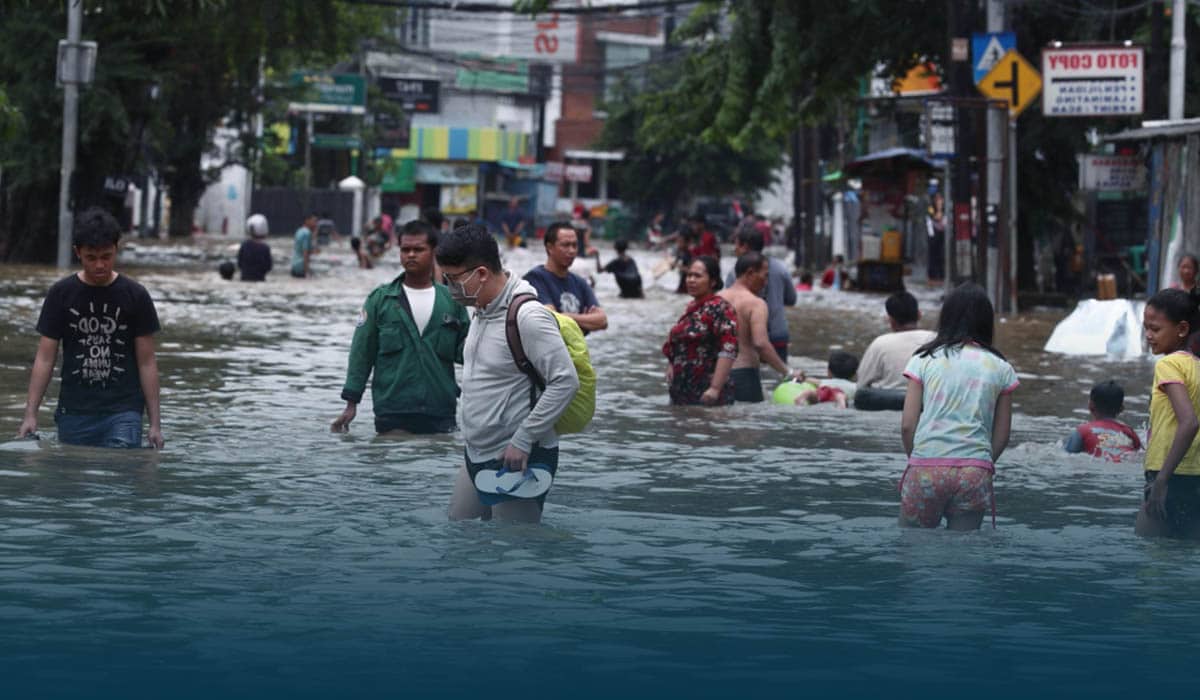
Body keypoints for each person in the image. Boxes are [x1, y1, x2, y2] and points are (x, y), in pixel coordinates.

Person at [435, 224, 580, 524]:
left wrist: (524, 439)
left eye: (453, 279)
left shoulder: (528, 316)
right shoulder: (481, 310)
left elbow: (565, 381)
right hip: (476, 451)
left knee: (516, 551)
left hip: (518, 456)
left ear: (482, 274)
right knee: (460, 536)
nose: (449, 288)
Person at [16, 207, 164, 449]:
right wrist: (30, 415)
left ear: (117, 249)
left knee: (118, 475)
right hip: (74, 411)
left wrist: (155, 424)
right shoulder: (61, 295)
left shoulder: (135, 295)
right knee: (76, 479)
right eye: (91, 258)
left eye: (106, 256)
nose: (99, 265)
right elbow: (44, 358)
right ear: (78, 253)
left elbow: (147, 362)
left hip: (123, 411)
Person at [332, 221, 471, 436]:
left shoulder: (452, 300)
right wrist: (351, 404)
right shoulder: (380, 300)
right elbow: (362, 353)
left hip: (440, 409)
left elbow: (471, 353)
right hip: (393, 409)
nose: (411, 255)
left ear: (434, 252)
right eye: (405, 250)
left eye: (419, 249)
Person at [899, 283, 1017, 530]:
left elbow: (908, 425)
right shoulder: (1001, 367)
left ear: (946, 317)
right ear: (987, 322)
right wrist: (980, 462)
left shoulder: (924, 359)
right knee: (963, 558)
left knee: (912, 551)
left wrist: (919, 460)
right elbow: (1002, 435)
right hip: (974, 471)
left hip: (926, 466)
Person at [1135, 288, 1200, 539]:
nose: (1148, 336)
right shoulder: (1196, 366)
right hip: (1195, 475)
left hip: (1169, 474)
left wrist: (1161, 481)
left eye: (1155, 329)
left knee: (1151, 558)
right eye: (1145, 328)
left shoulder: (1168, 364)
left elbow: (1189, 423)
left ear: (1182, 329)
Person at [718, 252, 797, 403]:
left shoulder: (716, 298)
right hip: (744, 375)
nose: (766, 282)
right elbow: (760, 343)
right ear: (750, 273)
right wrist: (788, 372)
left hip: (717, 375)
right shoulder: (756, 303)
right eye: (765, 275)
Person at [662, 256, 738, 406]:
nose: (690, 280)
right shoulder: (692, 307)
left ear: (713, 281)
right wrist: (671, 364)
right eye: (689, 275)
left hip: (706, 394)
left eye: (697, 276)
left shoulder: (721, 308)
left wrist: (715, 388)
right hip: (682, 392)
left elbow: (729, 348)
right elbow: (680, 343)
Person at [854, 291, 936, 410]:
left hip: (886, 404)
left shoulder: (880, 343)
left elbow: (861, 384)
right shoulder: (936, 339)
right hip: (927, 404)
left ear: (890, 320)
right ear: (919, 315)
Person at [523, 222, 608, 334]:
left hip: (576, 350)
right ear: (549, 248)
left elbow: (602, 321)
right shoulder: (535, 279)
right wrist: (584, 319)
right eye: (565, 245)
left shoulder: (580, 282)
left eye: (575, 245)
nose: (572, 251)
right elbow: (551, 319)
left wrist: (566, 316)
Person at [726, 229, 796, 361]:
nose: (734, 249)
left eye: (736, 245)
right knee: (778, 378)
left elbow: (727, 307)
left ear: (745, 246)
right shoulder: (781, 268)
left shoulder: (735, 274)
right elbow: (791, 299)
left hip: (748, 337)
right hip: (778, 334)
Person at [1064, 380, 1141, 461]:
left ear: (1090, 405)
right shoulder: (1129, 432)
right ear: (1122, 409)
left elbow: (1068, 455)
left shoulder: (1083, 430)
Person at [794, 351, 859, 408]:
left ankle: (808, 393)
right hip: (840, 398)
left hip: (823, 397)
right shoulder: (855, 387)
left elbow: (805, 379)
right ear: (854, 375)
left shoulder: (823, 382)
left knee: (814, 394)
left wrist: (801, 376)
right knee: (842, 397)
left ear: (828, 372)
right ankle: (841, 399)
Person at [238, 215, 273, 281]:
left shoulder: (244, 245)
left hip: (244, 278)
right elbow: (268, 267)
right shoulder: (265, 248)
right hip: (260, 278)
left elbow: (239, 264)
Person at [926, 191, 946, 283]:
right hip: (933, 234)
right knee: (932, 256)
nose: (939, 200)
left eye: (940, 198)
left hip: (941, 234)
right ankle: (932, 276)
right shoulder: (931, 207)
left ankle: (941, 275)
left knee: (941, 255)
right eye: (937, 199)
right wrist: (938, 210)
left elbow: (944, 218)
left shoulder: (944, 208)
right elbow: (934, 217)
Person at [291, 213, 318, 278]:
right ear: (307, 221)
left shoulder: (299, 230)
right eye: (314, 221)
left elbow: (300, 249)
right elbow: (305, 253)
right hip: (301, 267)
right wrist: (307, 271)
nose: (316, 224)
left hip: (294, 265)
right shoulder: (307, 233)